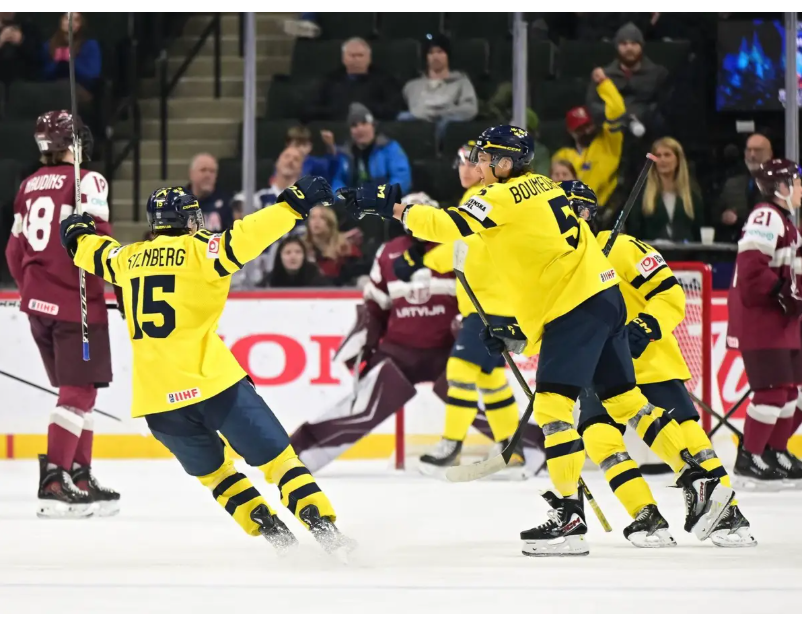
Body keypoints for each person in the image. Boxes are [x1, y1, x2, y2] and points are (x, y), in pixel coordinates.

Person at [343, 124, 733, 556]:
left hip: (575, 308)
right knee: (625, 401)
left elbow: (446, 224)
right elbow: (545, 272)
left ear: (505, 162)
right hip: (603, 300)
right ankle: (700, 478)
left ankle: (569, 517)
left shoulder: (500, 196)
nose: (478, 165)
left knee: (551, 409)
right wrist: (517, 336)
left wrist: (392, 208)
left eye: (484, 158)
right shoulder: (545, 186)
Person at [60, 181, 355, 557]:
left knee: (217, 476)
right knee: (280, 462)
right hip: (215, 386)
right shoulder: (203, 251)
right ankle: (325, 529)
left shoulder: (127, 259)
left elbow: (90, 250)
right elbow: (251, 233)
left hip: (157, 403)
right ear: (186, 219)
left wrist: (76, 232)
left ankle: (277, 538)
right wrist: (294, 204)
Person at [565, 180, 755, 548]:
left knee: (686, 435)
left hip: (649, 359)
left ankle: (726, 511)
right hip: (597, 367)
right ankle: (645, 514)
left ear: (585, 214)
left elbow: (669, 293)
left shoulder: (620, 247)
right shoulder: (557, 264)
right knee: (599, 437)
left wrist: (644, 327)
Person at [289, 195, 461, 472]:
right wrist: (365, 342)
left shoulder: (458, 247)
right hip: (399, 352)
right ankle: (296, 454)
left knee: (482, 400)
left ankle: (529, 447)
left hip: (449, 352)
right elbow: (375, 305)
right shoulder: (389, 252)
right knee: (359, 409)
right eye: (414, 217)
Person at [4, 110, 119, 518]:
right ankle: (55, 480)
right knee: (78, 393)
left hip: (39, 304)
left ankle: (79, 476)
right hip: (77, 304)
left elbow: (14, 251)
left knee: (82, 390)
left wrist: (33, 290)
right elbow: (100, 242)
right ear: (74, 142)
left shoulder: (28, 184)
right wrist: (123, 286)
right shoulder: (88, 181)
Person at [402, 143, 534, 476]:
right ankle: (512, 449)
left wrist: (423, 260)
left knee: (460, 370)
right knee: (489, 378)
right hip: (496, 301)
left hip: (491, 304)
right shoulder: (485, 197)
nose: (465, 169)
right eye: (461, 162)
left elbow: (467, 245)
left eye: (472, 162)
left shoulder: (484, 198)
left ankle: (451, 446)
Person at [728, 159, 802, 490]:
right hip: (763, 319)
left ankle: (775, 450)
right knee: (772, 391)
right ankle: (750, 456)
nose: (800, 189)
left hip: (783, 320)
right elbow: (751, 271)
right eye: (797, 183)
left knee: (791, 390)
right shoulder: (766, 216)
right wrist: (782, 292)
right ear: (781, 187)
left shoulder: (786, 222)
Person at [553, 69, 626, 214]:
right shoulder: (562, 156)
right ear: (571, 132)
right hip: (567, 214)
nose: (586, 131)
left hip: (602, 213)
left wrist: (604, 83)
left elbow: (617, 112)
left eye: (588, 125)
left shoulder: (608, 144)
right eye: (580, 128)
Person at [586, 22, 669, 138]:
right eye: (624, 44)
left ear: (641, 46)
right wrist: (620, 116)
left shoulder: (657, 73)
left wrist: (640, 115)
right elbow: (592, 105)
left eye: (634, 43)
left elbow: (663, 106)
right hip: (610, 132)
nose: (629, 48)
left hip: (646, 133)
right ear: (617, 47)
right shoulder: (603, 75)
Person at [304, 37, 402, 122]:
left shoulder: (385, 80)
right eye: (352, 55)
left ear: (369, 58)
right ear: (343, 58)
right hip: (335, 126)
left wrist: (366, 109)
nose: (356, 59)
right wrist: (338, 111)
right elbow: (310, 109)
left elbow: (393, 109)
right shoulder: (330, 80)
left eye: (360, 55)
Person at [399, 34, 478, 136]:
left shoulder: (462, 82)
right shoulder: (412, 86)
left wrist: (443, 114)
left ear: (447, 55)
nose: (435, 56)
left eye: (440, 52)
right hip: (417, 132)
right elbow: (411, 112)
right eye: (431, 53)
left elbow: (470, 109)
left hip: (448, 129)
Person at [627, 137, 703, 242]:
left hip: (685, 251)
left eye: (667, 155)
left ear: (678, 159)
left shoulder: (692, 193)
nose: (662, 160)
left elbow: (698, 230)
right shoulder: (641, 193)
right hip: (651, 251)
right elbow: (634, 230)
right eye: (658, 156)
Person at [716, 133, 774, 244]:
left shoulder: (782, 186)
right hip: (735, 247)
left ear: (770, 154)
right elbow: (715, 215)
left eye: (758, 150)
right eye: (748, 150)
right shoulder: (731, 185)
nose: (752, 155)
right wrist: (724, 216)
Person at [304, 205, 368, 287]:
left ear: (331, 223)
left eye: (322, 218)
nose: (316, 221)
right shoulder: (302, 247)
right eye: (313, 218)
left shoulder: (345, 247)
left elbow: (356, 273)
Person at [41, 13, 101, 98]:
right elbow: (42, 75)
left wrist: (72, 62)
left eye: (76, 20)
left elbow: (93, 75)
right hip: (51, 90)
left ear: (81, 24)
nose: (70, 23)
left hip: (79, 91)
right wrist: (57, 62)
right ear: (61, 21)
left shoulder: (90, 45)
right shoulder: (48, 45)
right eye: (67, 19)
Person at [186, 153, 234, 232]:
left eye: (212, 171)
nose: (208, 175)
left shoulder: (226, 203)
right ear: (191, 174)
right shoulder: (178, 203)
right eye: (203, 170)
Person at [0, 12, 41, 85]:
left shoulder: (28, 26)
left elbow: (38, 56)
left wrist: (21, 40)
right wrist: (1, 40)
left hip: (23, 80)